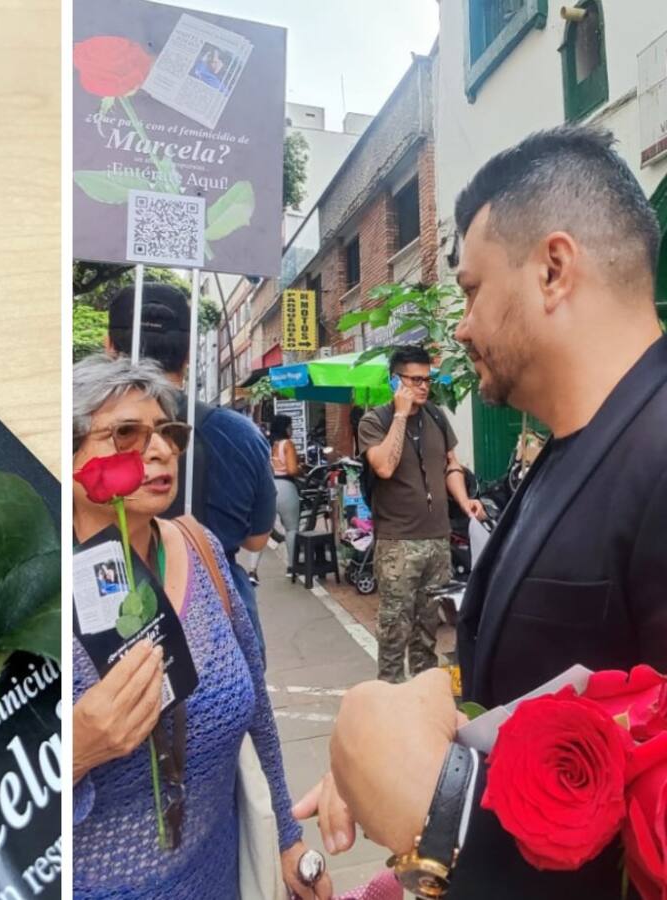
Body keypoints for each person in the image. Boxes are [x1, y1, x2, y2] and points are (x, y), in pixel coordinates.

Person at [299, 126, 667, 898]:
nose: (460, 325)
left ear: (553, 270)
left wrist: (435, 823)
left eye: (470, 290)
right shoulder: (562, 446)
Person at [71, 354, 332, 900]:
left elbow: (256, 706)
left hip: (220, 873)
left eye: (168, 433)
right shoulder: (36, 593)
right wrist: (76, 751)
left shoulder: (199, 547)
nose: (161, 449)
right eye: (126, 434)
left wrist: (287, 835)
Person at [107, 282, 275, 657]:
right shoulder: (240, 434)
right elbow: (256, 540)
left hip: (117, 622)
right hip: (224, 621)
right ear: (187, 357)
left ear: (109, 347)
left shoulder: (86, 435)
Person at [357, 346, 485, 683]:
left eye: (427, 380)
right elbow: (384, 466)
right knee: (394, 630)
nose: (424, 387)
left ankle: (423, 698)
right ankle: (390, 700)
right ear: (395, 381)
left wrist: (463, 499)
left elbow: (451, 465)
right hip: (398, 543)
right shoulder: (375, 421)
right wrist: (400, 415)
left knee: (427, 630)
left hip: (437, 540)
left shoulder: (437, 418)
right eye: (415, 380)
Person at [267, 414, 302, 576]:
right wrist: (301, 468)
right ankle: (292, 567)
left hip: (269, 486)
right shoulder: (287, 444)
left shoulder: (267, 444)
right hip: (286, 486)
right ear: (285, 428)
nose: (292, 429)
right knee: (291, 529)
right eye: (290, 426)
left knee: (263, 528)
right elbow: (293, 470)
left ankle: (252, 570)